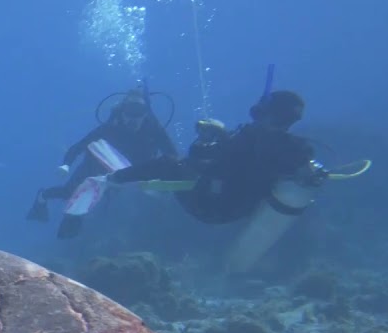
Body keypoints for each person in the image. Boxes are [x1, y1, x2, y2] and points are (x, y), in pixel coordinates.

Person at [108, 90, 322, 224]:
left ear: (262, 112)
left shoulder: (243, 138)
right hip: (245, 211)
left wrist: (212, 138)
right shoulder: (297, 149)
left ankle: (115, 179)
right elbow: (309, 172)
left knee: (168, 164)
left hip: (209, 208)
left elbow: (201, 161)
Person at [27, 88, 178, 239]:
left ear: (146, 112)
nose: (133, 117)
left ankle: (81, 213)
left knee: (112, 194)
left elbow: (172, 154)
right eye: (129, 110)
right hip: (95, 166)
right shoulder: (110, 128)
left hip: (130, 171)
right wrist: (66, 164)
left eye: (139, 110)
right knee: (69, 193)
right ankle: (43, 196)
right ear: (122, 111)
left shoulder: (154, 130)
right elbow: (79, 146)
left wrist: (171, 173)